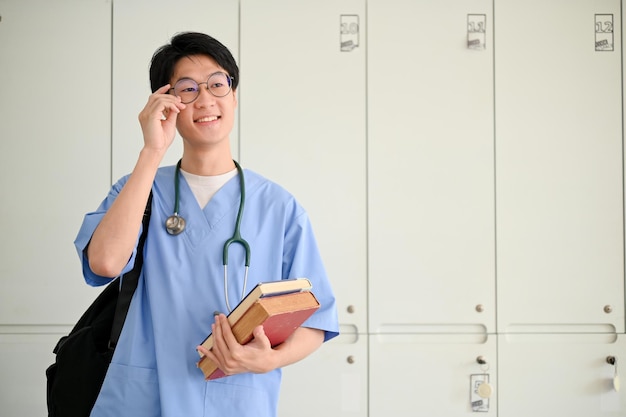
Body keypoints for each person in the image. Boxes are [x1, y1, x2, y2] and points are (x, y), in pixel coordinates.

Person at [74, 31, 339, 417]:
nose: (205, 100)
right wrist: (152, 150)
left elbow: (316, 320)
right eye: (187, 89)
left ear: (234, 95)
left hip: (237, 399)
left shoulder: (278, 206)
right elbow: (105, 264)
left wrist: (265, 361)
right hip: (144, 398)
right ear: (167, 102)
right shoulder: (139, 190)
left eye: (217, 84)